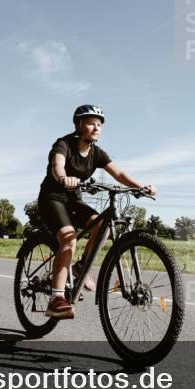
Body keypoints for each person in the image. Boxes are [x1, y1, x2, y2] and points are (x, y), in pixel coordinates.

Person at [36, 104, 156, 319]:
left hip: (74, 200)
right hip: (52, 198)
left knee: (103, 226)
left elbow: (118, 173)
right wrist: (64, 178)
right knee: (69, 239)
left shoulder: (97, 153)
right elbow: (57, 165)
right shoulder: (64, 144)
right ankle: (56, 299)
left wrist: (141, 187)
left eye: (99, 125)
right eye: (91, 123)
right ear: (78, 125)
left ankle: (81, 267)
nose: (96, 128)